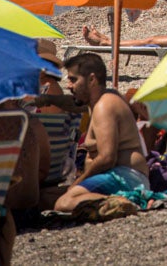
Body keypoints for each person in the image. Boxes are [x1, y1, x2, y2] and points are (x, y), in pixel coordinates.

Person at [51, 54, 146, 220]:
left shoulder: (104, 105)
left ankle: (123, 201)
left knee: (63, 202)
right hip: (118, 175)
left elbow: (107, 157)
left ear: (92, 79)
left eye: (73, 80)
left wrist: (77, 183)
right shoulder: (98, 100)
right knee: (45, 197)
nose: (68, 85)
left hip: (124, 177)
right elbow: (71, 103)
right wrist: (46, 100)